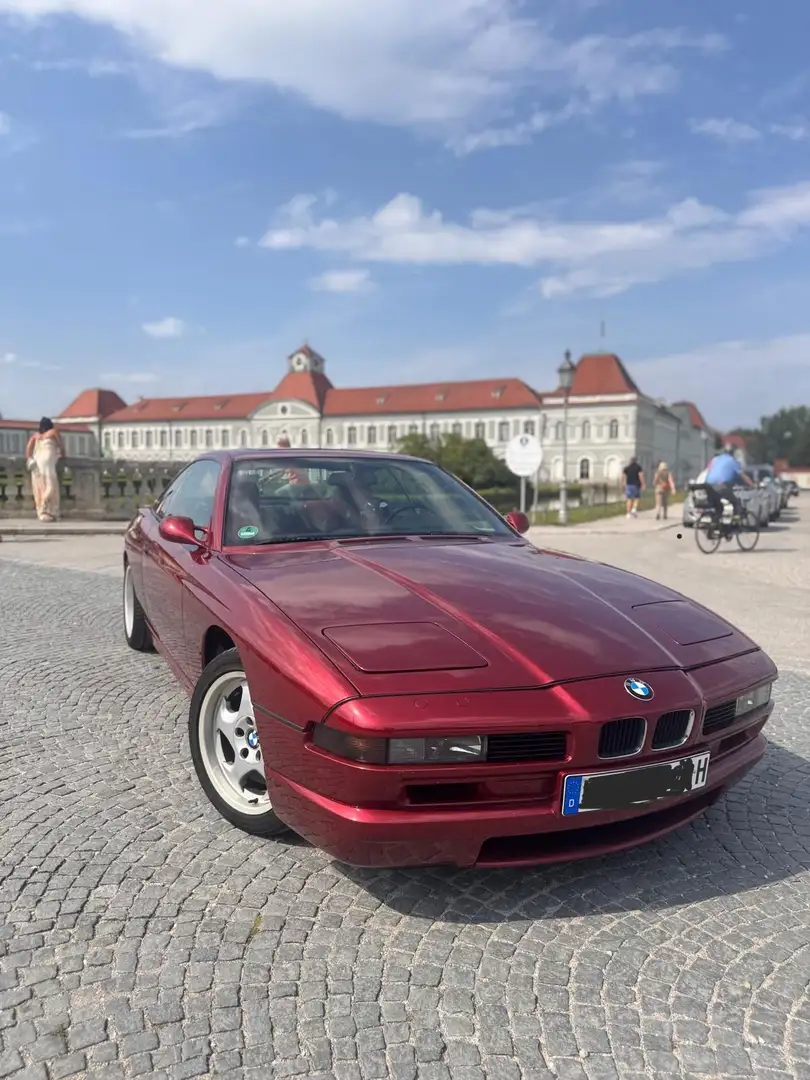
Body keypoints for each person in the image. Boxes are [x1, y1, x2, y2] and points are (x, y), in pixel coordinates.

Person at [25, 417, 63, 522]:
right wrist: (63, 455)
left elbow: (28, 449)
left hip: (37, 461)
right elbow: (61, 446)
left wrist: (29, 459)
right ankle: (48, 509)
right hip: (47, 461)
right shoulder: (53, 432)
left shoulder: (35, 436)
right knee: (51, 485)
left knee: (39, 487)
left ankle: (42, 513)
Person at [704, 444, 754, 519]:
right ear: (733, 453)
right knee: (736, 503)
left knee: (718, 506)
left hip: (707, 485)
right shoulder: (733, 462)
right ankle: (736, 518)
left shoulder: (715, 459)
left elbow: (708, 469)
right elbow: (743, 476)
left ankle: (715, 524)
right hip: (721, 485)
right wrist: (752, 485)